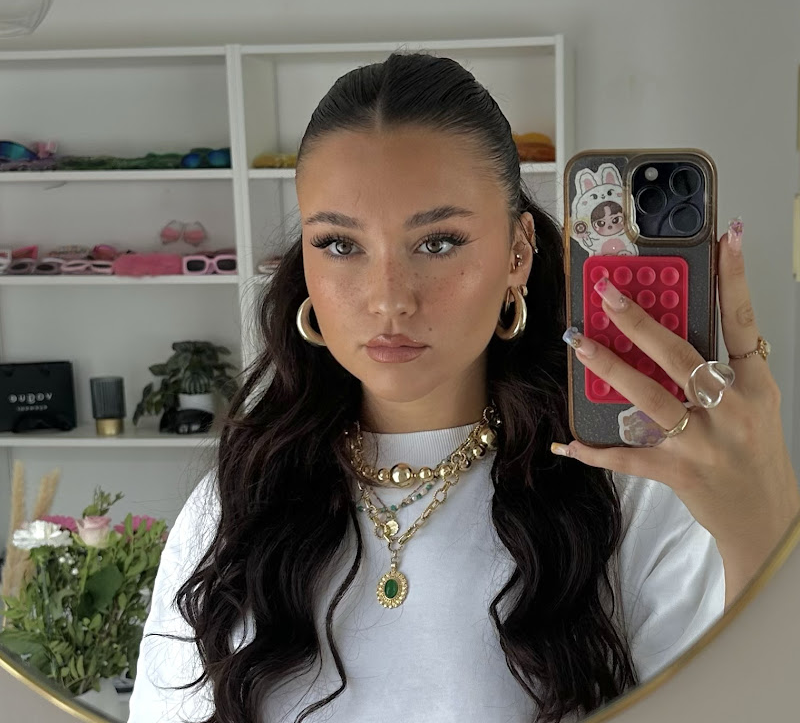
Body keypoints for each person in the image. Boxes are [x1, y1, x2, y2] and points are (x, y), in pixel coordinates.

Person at [127, 52, 800, 723]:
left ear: (517, 254)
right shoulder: (235, 503)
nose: (389, 299)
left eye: (438, 242)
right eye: (339, 244)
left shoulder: (630, 490)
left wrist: (765, 532)